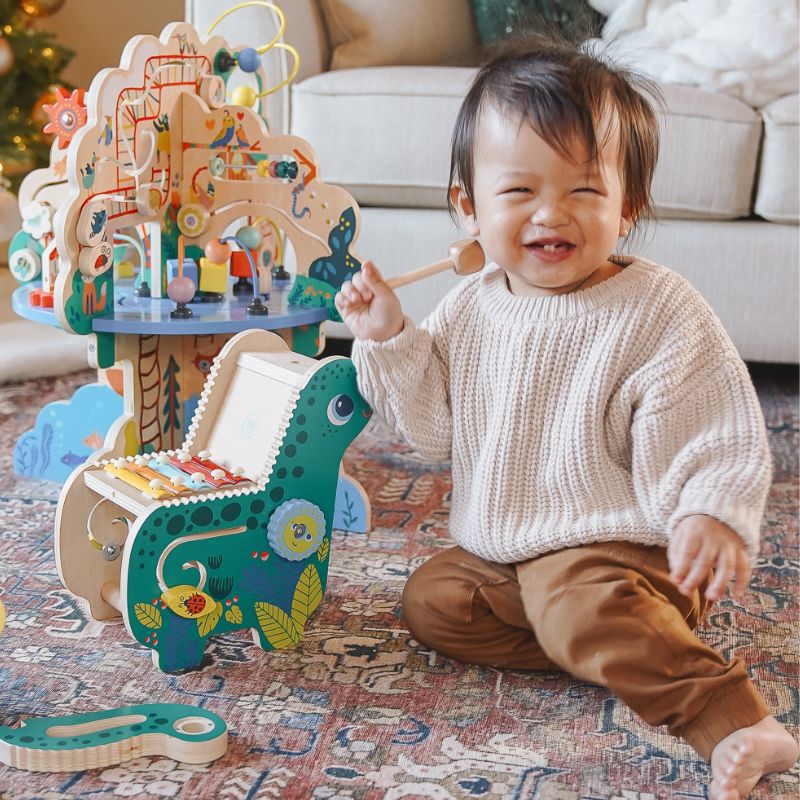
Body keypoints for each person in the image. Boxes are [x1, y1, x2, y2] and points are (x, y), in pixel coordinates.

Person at [334, 37, 798, 799]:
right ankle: (615, 641)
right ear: (468, 209)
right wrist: (389, 337)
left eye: (584, 191)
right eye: (518, 192)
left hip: (629, 548)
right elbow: (435, 429)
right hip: (517, 551)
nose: (552, 214)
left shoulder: (659, 309)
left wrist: (709, 512)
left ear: (630, 205)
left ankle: (738, 719)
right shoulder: (472, 306)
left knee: (574, 596)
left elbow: (712, 425)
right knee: (435, 603)